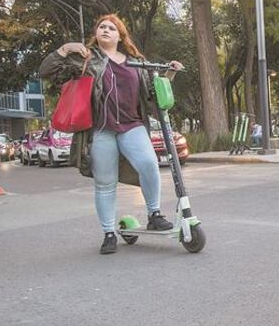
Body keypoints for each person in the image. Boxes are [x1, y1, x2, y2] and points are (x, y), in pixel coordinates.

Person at [40, 14, 183, 255]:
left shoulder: (136, 62)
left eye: (111, 28)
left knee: (149, 164)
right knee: (105, 184)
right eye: (101, 27)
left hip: (132, 125)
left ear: (120, 36)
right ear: (96, 34)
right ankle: (108, 233)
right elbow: (46, 71)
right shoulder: (86, 59)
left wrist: (169, 74)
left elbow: (152, 95)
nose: (106, 30)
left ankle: (154, 214)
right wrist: (65, 49)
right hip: (100, 129)